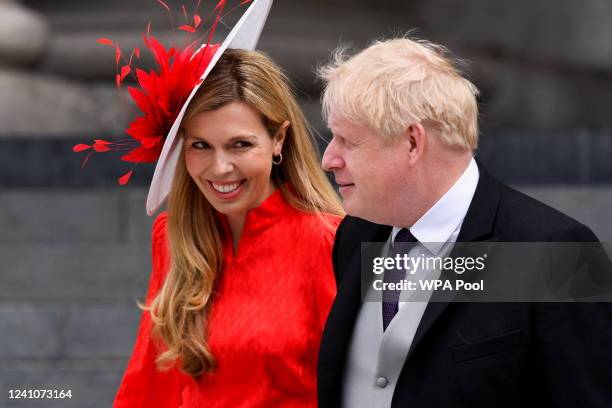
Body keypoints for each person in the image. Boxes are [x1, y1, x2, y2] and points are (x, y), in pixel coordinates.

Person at [316, 36, 612, 407]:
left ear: (412, 142)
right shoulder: (356, 233)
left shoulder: (556, 250)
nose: (329, 159)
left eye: (347, 141)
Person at [108, 1, 344, 406]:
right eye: (200, 145)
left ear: (278, 140)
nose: (220, 168)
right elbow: (150, 382)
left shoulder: (329, 240)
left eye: (240, 145)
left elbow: (362, 383)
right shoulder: (172, 237)